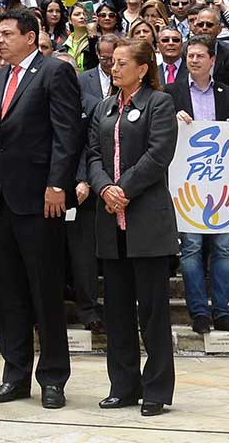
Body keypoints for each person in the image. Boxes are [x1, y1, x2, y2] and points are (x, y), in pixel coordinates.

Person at [0, 8, 81, 409]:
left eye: (7, 34)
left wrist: (57, 185)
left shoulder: (54, 73)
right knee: (7, 293)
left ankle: (53, 378)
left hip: (40, 201)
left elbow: (67, 135)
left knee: (44, 291)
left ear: (30, 38)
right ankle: (14, 374)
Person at [84, 37, 177, 416]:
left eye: (123, 62)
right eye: (112, 62)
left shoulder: (159, 103)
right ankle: (123, 385)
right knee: (118, 311)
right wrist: (104, 187)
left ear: (142, 68)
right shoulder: (104, 107)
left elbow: (159, 155)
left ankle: (156, 389)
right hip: (111, 222)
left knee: (153, 311)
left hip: (147, 222)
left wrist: (123, 189)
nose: (114, 67)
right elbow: (91, 154)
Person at [171, 37, 229, 334]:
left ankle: (222, 312)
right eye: (189, 55)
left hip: (221, 183)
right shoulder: (171, 93)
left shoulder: (228, 93)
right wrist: (172, 118)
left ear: (212, 60)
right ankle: (199, 312)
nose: (194, 60)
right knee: (190, 248)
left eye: (200, 56)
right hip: (189, 182)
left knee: (223, 248)